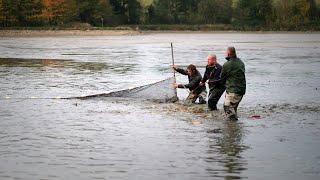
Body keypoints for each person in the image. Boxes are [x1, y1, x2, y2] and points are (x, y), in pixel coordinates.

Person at [220, 47, 246, 121]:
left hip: (233, 90)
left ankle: (232, 127)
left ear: (228, 53)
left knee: (227, 107)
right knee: (233, 108)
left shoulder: (227, 64)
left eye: (225, 52)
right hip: (241, 90)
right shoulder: (241, 62)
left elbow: (222, 79)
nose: (225, 54)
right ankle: (235, 126)